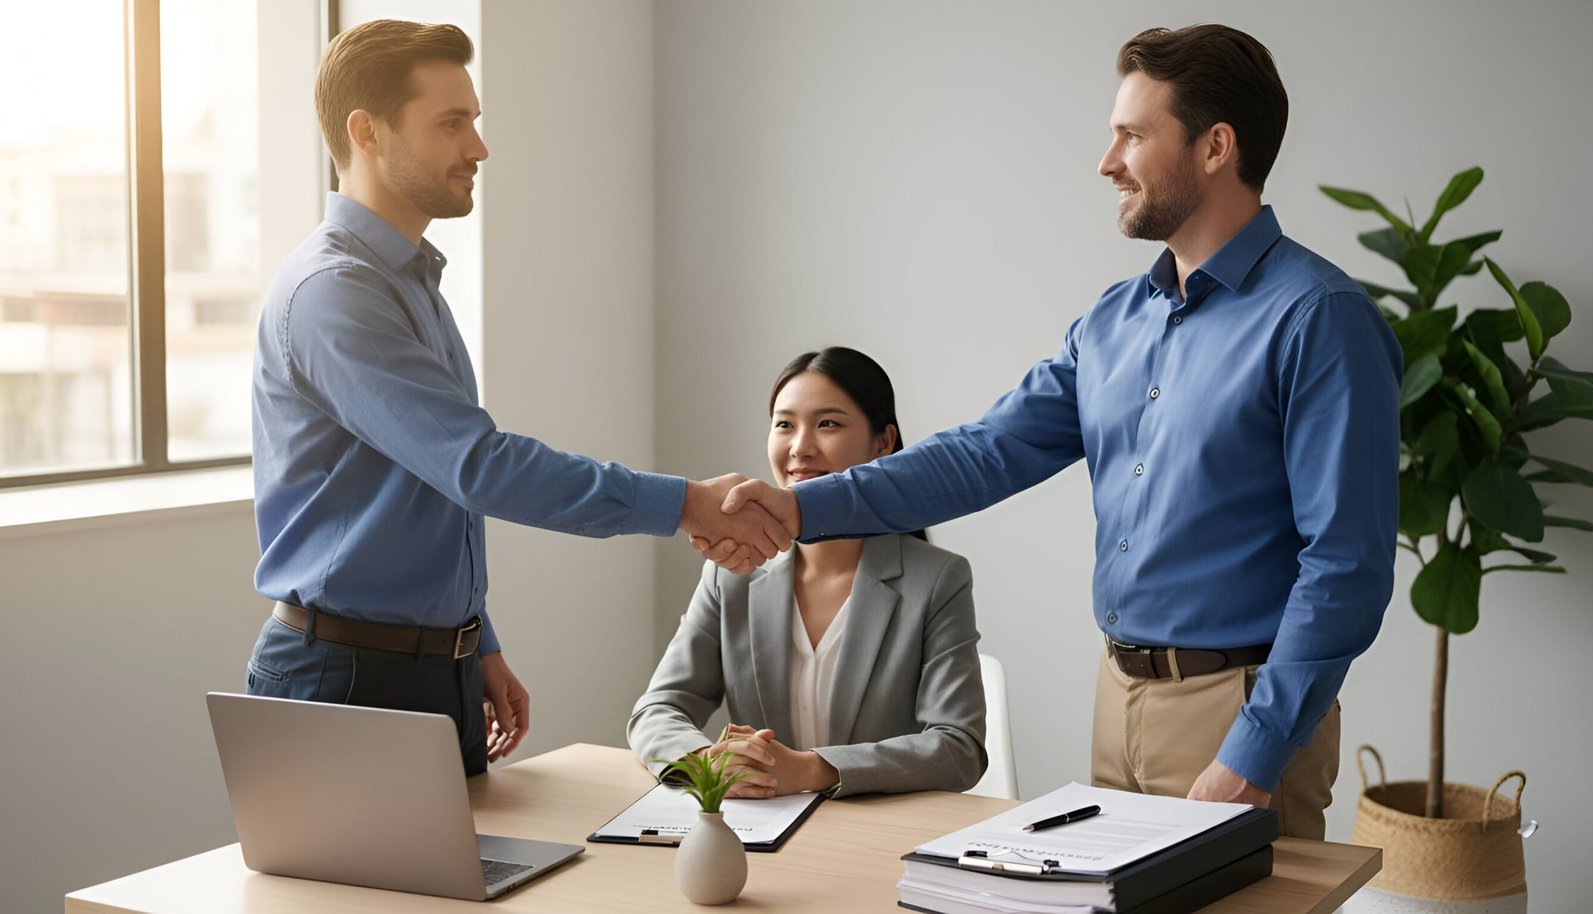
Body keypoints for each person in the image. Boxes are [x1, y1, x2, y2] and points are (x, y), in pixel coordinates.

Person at [703, 25, 1402, 838]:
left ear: (1216, 147)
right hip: (1118, 695)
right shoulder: (1111, 323)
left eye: (1133, 136)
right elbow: (982, 455)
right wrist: (799, 511)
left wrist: (1256, 747)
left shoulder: (1319, 320)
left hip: (1240, 709)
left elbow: (1346, 567)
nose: (1107, 162)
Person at [247, 19, 788, 777]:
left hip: (429, 671)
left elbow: (426, 492)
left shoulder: (409, 284)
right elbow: (480, 467)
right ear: (366, 132)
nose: (479, 146)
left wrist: (474, 640)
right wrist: (687, 502)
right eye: (451, 123)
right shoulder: (334, 293)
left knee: (468, 893)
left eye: (475, 120)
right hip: (348, 681)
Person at [630, 347, 986, 797]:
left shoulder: (937, 580)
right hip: (756, 834)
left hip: (878, 836)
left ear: (883, 442)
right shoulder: (732, 572)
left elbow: (958, 748)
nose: (800, 447)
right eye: (784, 424)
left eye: (828, 424)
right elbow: (659, 708)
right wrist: (705, 762)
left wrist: (812, 769)